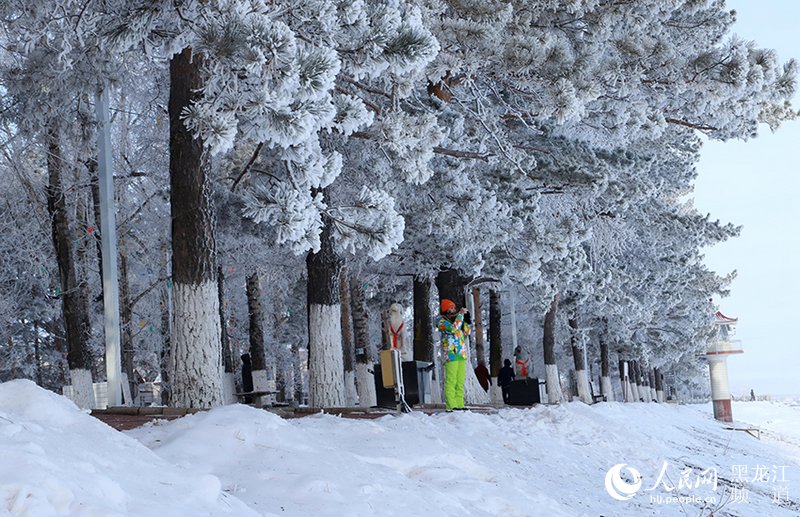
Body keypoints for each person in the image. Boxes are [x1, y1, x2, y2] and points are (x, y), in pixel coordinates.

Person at [437, 298, 471, 411]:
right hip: (451, 354)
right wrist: (460, 315)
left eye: (454, 307)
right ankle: (451, 405)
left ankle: (460, 404)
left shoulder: (457, 319)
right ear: (446, 309)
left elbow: (466, 332)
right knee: (451, 380)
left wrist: (467, 320)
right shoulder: (441, 321)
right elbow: (453, 329)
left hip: (461, 353)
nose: (454, 309)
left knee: (460, 381)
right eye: (451, 308)